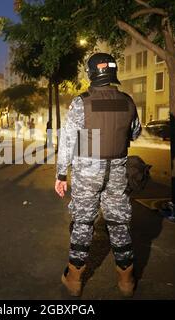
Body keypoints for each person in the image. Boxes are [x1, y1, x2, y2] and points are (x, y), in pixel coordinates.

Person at [55, 53, 142, 298]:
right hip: (117, 169)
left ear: (91, 73)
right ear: (113, 72)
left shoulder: (81, 103)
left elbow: (68, 142)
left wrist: (61, 175)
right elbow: (135, 133)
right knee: (119, 223)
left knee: (83, 223)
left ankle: (74, 279)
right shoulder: (128, 101)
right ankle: (126, 280)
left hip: (87, 170)